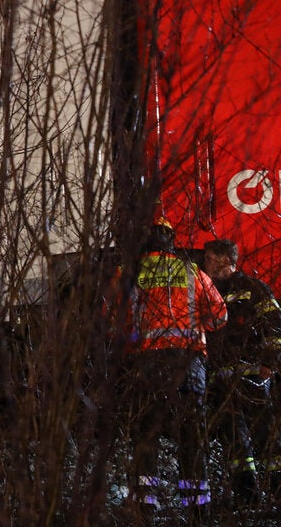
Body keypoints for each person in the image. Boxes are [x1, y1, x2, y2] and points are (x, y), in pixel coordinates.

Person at [110, 217, 227, 524]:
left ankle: (145, 506)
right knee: (192, 437)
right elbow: (218, 317)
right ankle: (199, 508)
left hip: (145, 366)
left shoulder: (127, 274)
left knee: (145, 435)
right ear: (172, 240)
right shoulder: (192, 272)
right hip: (188, 366)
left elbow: (111, 321)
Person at [203, 239, 281, 507]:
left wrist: (269, 364)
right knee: (235, 442)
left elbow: (275, 327)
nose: (206, 263)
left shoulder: (253, 288)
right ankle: (248, 498)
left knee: (264, 435)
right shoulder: (208, 290)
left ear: (225, 259)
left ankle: (277, 491)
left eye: (210, 258)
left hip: (252, 376)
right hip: (221, 380)